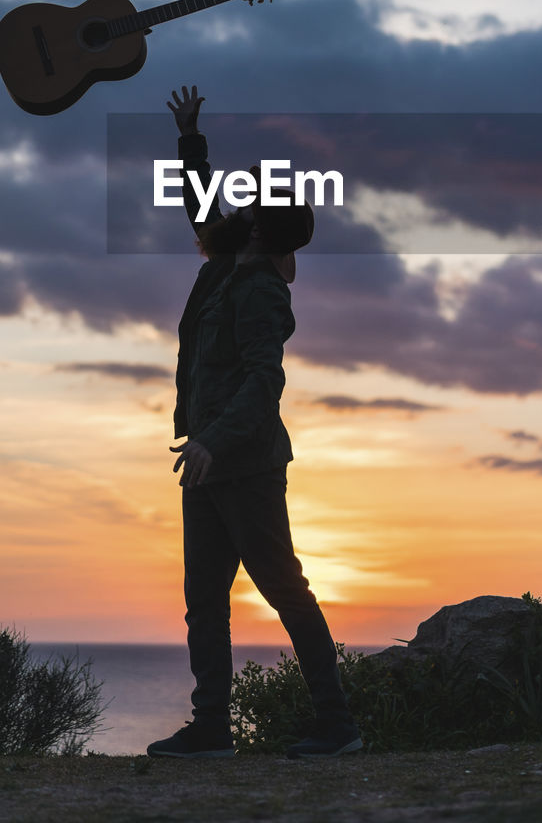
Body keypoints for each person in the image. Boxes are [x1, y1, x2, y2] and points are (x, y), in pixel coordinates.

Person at [147, 85, 362, 761]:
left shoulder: (263, 291)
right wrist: (189, 139)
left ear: (262, 230)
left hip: (245, 466)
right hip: (205, 465)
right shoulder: (220, 272)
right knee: (203, 603)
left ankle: (336, 725)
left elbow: (263, 381)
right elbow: (202, 207)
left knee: (286, 593)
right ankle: (212, 728)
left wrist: (215, 438)